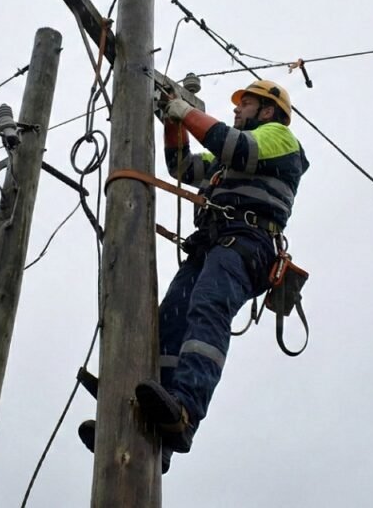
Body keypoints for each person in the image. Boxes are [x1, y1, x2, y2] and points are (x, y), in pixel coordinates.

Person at [78, 79, 309, 473]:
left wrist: (185, 112)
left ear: (267, 111)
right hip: (213, 245)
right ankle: (150, 426)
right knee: (168, 321)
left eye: (245, 104)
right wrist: (172, 119)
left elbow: (236, 146)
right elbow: (182, 166)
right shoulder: (222, 168)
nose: (237, 110)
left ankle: (185, 413)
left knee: (207, 309)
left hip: (247, 243)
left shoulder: (279, 138)